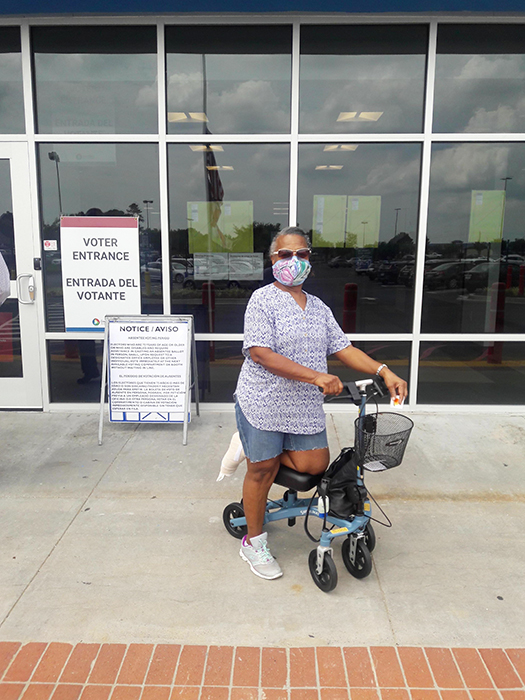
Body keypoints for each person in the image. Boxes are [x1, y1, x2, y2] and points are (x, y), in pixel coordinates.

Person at [220, 227, 408, 580]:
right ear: (272, 260)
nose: (294, 261)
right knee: (262, 470)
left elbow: (344, 348)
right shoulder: (262, 300)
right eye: (285, 254)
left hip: (303, 406)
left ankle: (251, 447)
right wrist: (317, 376)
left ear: (309, 260)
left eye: (302, 254)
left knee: (315, 465)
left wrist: (384, 371)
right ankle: (254, 542)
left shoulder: (319, 307)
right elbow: (260, 353)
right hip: (263, 401)